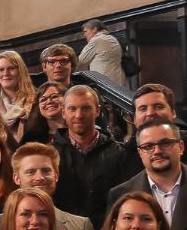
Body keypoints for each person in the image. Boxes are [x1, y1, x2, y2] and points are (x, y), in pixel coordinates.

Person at [0, 143, 100, 230]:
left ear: (56, 175)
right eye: (30, 172)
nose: (39, 178)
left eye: (46, 171)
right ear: (16, 178)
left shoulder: (81, 227)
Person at [53, 86, 138, 223]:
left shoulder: (119, 153)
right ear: (63, 112)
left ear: (97, 110)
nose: (78, 115)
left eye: (86, 108)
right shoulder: (51, 154)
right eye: (72, 109)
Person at [77, 20, 127, 87]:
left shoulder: (96, 40)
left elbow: (82, 60)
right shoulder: (112, 38)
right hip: (118, 80)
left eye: (86, 31)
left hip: (104, 82)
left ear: (94, 29)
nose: (84, 35)